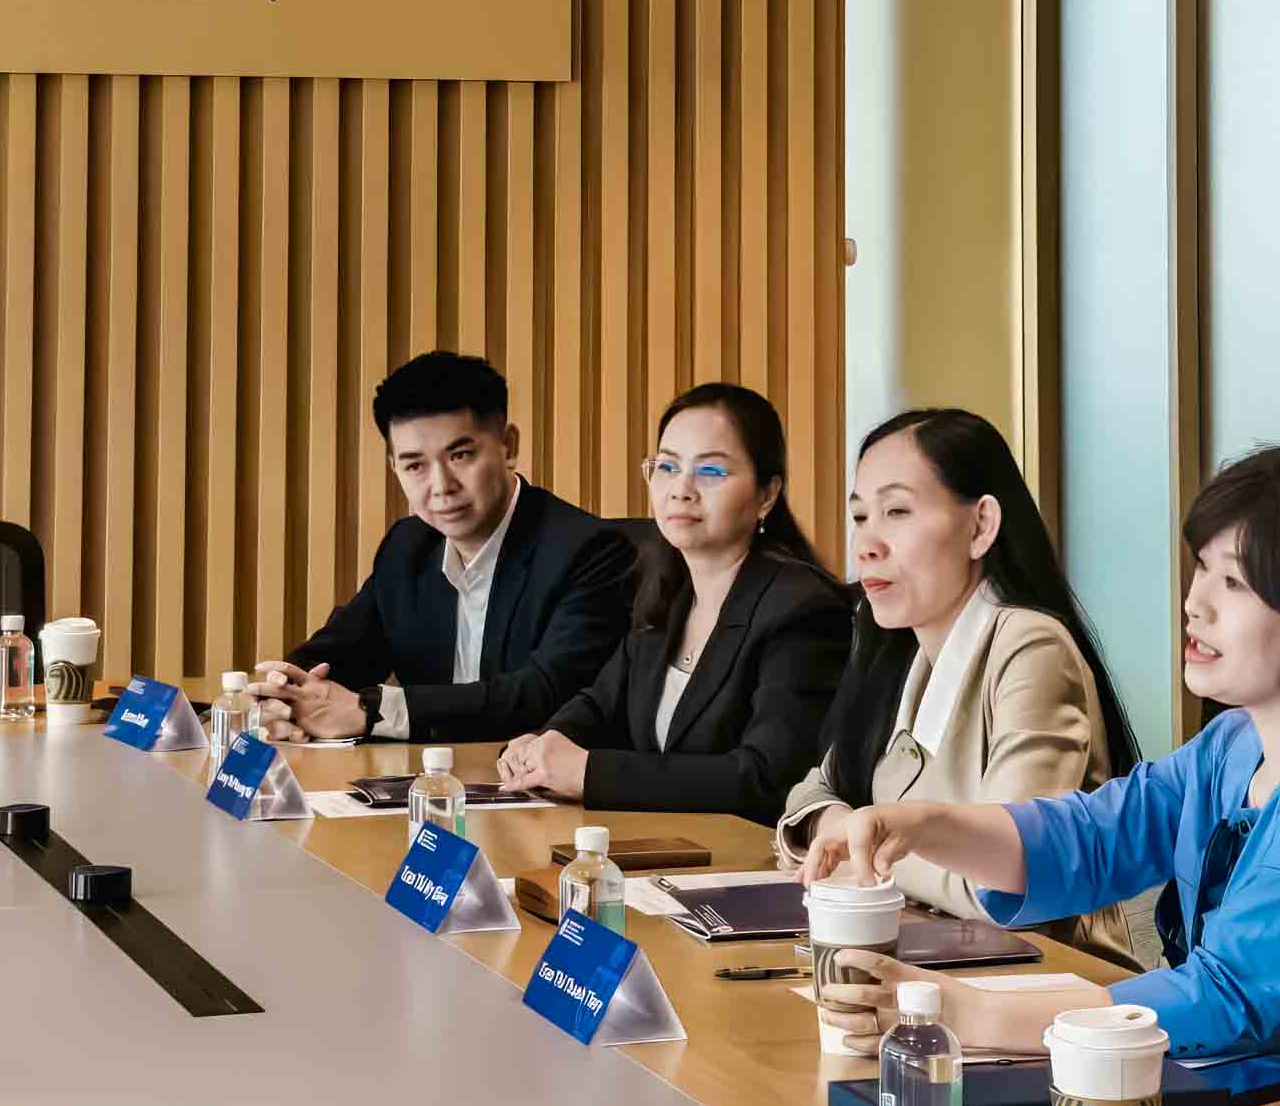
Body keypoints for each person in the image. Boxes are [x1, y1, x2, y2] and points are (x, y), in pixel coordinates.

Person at [812, 439, 1280, 1084]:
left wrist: (965, 1012)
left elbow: (1225, 995)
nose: (1195, 603)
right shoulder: (1232, 744)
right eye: (1202, 569)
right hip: (1241, 1085)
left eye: (1234, 582)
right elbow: (1091, 840)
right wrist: (920, 825)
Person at [775, 407, 1157, 964]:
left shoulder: (1030, 646)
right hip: (929, 962)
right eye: (860, 516)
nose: (867, 544)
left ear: (980, 526)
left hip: (1046, 984)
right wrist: (842, 825)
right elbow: (809, 795)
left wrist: (861, 844)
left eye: (897, 511)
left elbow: (1003, 879)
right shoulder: (895, 646)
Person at [501, 383, 847, 823]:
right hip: (662, 844)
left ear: (767, 494)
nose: (681, 489)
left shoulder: (802, 610)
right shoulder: (667, 590)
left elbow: (766, 778)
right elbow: (600, 704)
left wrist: (588, 772)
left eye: (711, 471)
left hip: (748, 857)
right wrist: (544, 742)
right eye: (666, 466)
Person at [256, 350, 636, 745]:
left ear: (507, 446)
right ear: (395, 468)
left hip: (534, 776)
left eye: (460, 456)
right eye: (415, 466)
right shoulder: (409, 545)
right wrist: (283, 694)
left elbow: (544, 694)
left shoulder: (587, 550)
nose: (441, 486)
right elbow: (342, 651)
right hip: (428, 774)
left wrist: (373, 711)